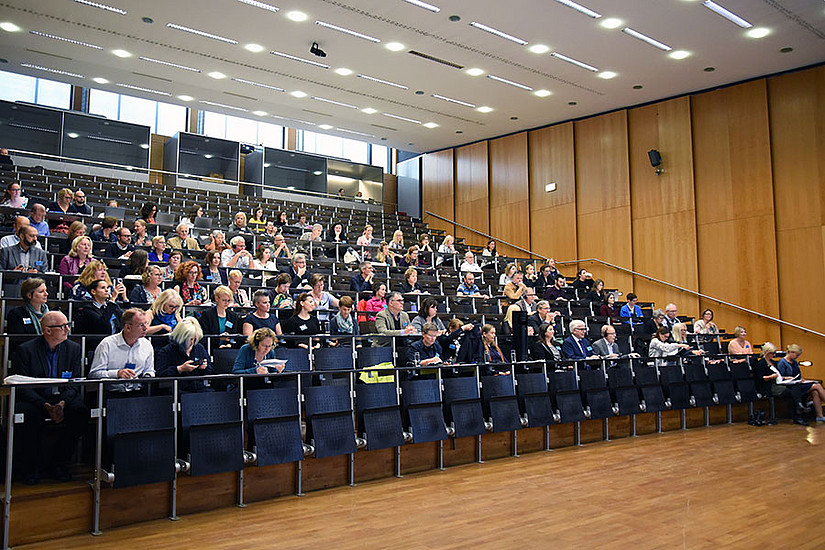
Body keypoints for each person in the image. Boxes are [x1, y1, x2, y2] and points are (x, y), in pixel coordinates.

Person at [11, 311, 88, 485]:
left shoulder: (74, 349)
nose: (67, 329)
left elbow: (74, 382)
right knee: (27, 415)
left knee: (80, 412)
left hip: (62, 398)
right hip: (36, 399)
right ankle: (31, 467)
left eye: (68, 325)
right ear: (47, 330)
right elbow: (21, 385)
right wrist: (43, 404)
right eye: (62, 326)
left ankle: (59, 463)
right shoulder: (26, 350)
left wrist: (62, 403)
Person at [89, 308, 155, 393]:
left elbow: (149, 370)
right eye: (141, 325)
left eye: (146, 323)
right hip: (112, 393)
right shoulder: (107, 344)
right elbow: (94, 374)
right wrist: (117, 374)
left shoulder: (147, 345)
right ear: (127, 327)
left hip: (138, 392)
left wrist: (147, 376)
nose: (146, 328)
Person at [155, 317, 212, 392]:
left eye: (194, 339)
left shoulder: (199, 348)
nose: (192, 342)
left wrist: (204, 367)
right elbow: (160, 374)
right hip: (177, 390)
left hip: (198, 388)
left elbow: (210, 371)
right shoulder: (166, 351)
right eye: (190, 339)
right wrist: (180, 369)